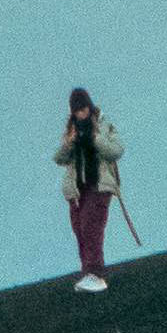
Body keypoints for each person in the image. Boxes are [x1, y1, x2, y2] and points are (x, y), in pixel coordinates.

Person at [55, 87, 125, 288]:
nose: (81, 113)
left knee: (90, 227)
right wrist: (69, 143)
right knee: (80, 230)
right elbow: (59, 158)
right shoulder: (71, 131)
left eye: (83, 108)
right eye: (77, 110)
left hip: (100, 185)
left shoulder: (104, 125)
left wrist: (96, 138)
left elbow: (116, 150)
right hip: (78, 190)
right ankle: (88, 274)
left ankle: (96, 274)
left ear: (89, 106)